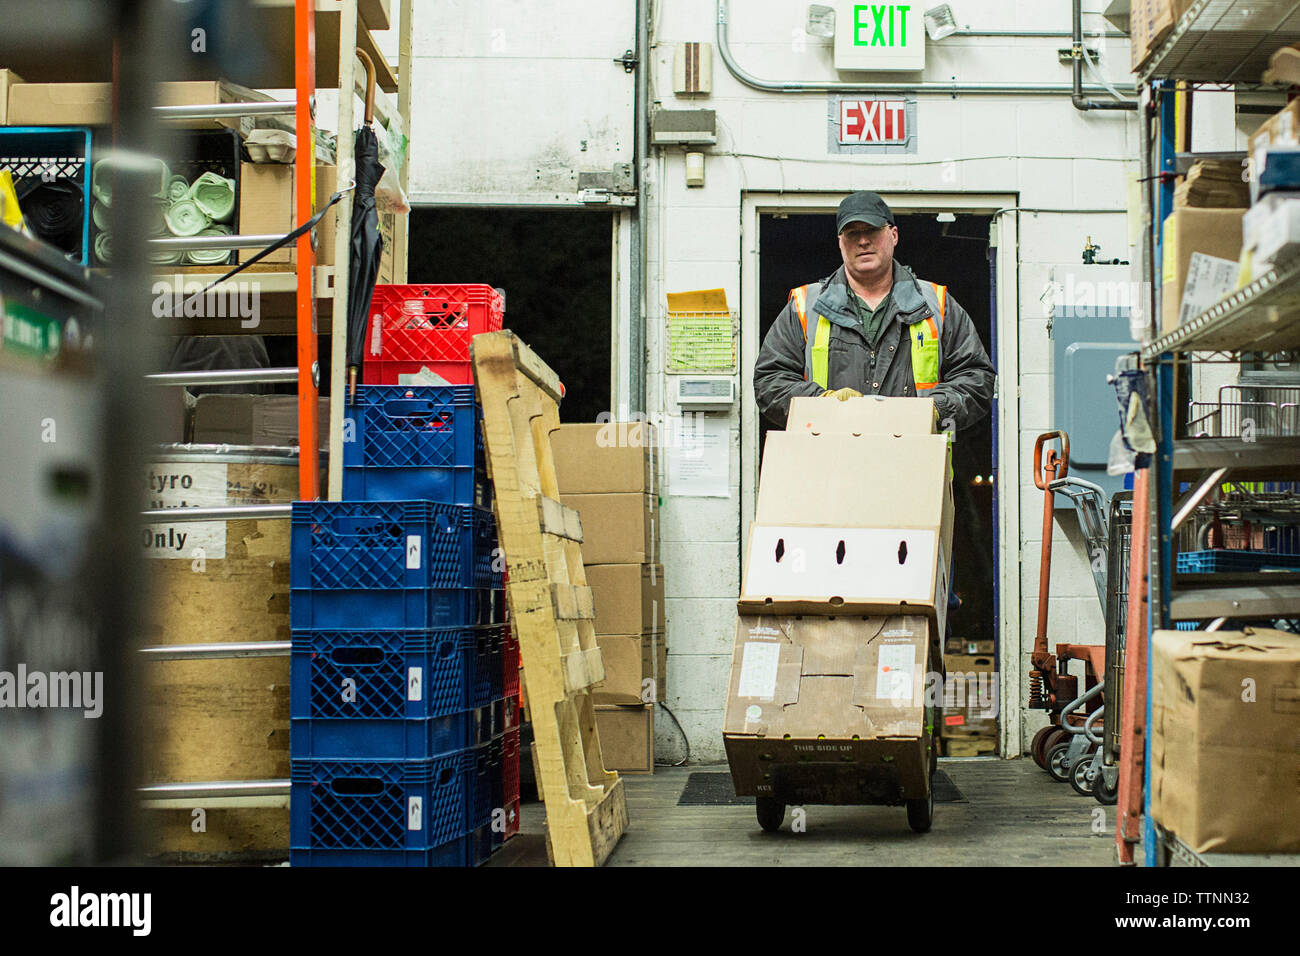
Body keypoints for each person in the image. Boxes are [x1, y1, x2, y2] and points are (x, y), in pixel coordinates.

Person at [754, 191, 995, 432]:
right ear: (840, 242)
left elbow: (976, 377)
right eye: (852, 233)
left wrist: (935, 410)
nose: (863, 241)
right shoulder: (805, 306)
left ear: (894, 235)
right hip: (831, 460)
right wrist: (822, 401)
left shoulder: (936, 304)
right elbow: (770, 381)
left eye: (872, 231)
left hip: (913, 458)